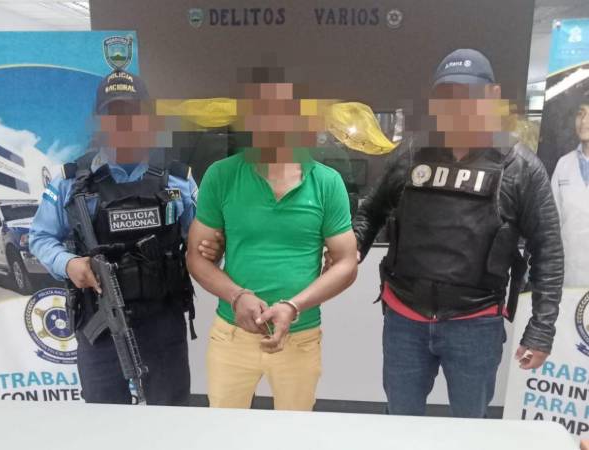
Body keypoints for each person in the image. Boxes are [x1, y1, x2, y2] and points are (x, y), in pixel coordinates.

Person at [349, 49, 564, 418]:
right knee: (399, 426)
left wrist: (541, 329)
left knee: (470, 430)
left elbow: (548, 251)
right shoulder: (412, 153)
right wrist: (352, 249)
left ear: (492, 96)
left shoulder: (520, 167)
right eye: (447, 96)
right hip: (405, 320)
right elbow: (371, 211)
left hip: (475, 324)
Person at [29, 69, 222, 405]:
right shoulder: (71, 182)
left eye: (133, 114)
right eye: (114, 115)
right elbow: (41, 237)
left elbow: (200, 242)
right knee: (105, 419)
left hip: (162, 321)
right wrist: (69, 264)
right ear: (100, 121)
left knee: (171, 416)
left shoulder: (177, 180)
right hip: (100, 321)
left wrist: (212, 247)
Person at [187, 67, 358, 411]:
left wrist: (293, 307)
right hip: (232, 335)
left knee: (293, 434)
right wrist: (236, 296)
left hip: (300, 336)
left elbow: (346, 263)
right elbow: (196, 256)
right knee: (224, 432)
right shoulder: (222, 175)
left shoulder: (327, 182)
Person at [551, 91, 589, 287]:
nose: (584, 121)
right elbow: (551, 225)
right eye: (581, 113)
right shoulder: (563, 165)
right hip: (569, 278)